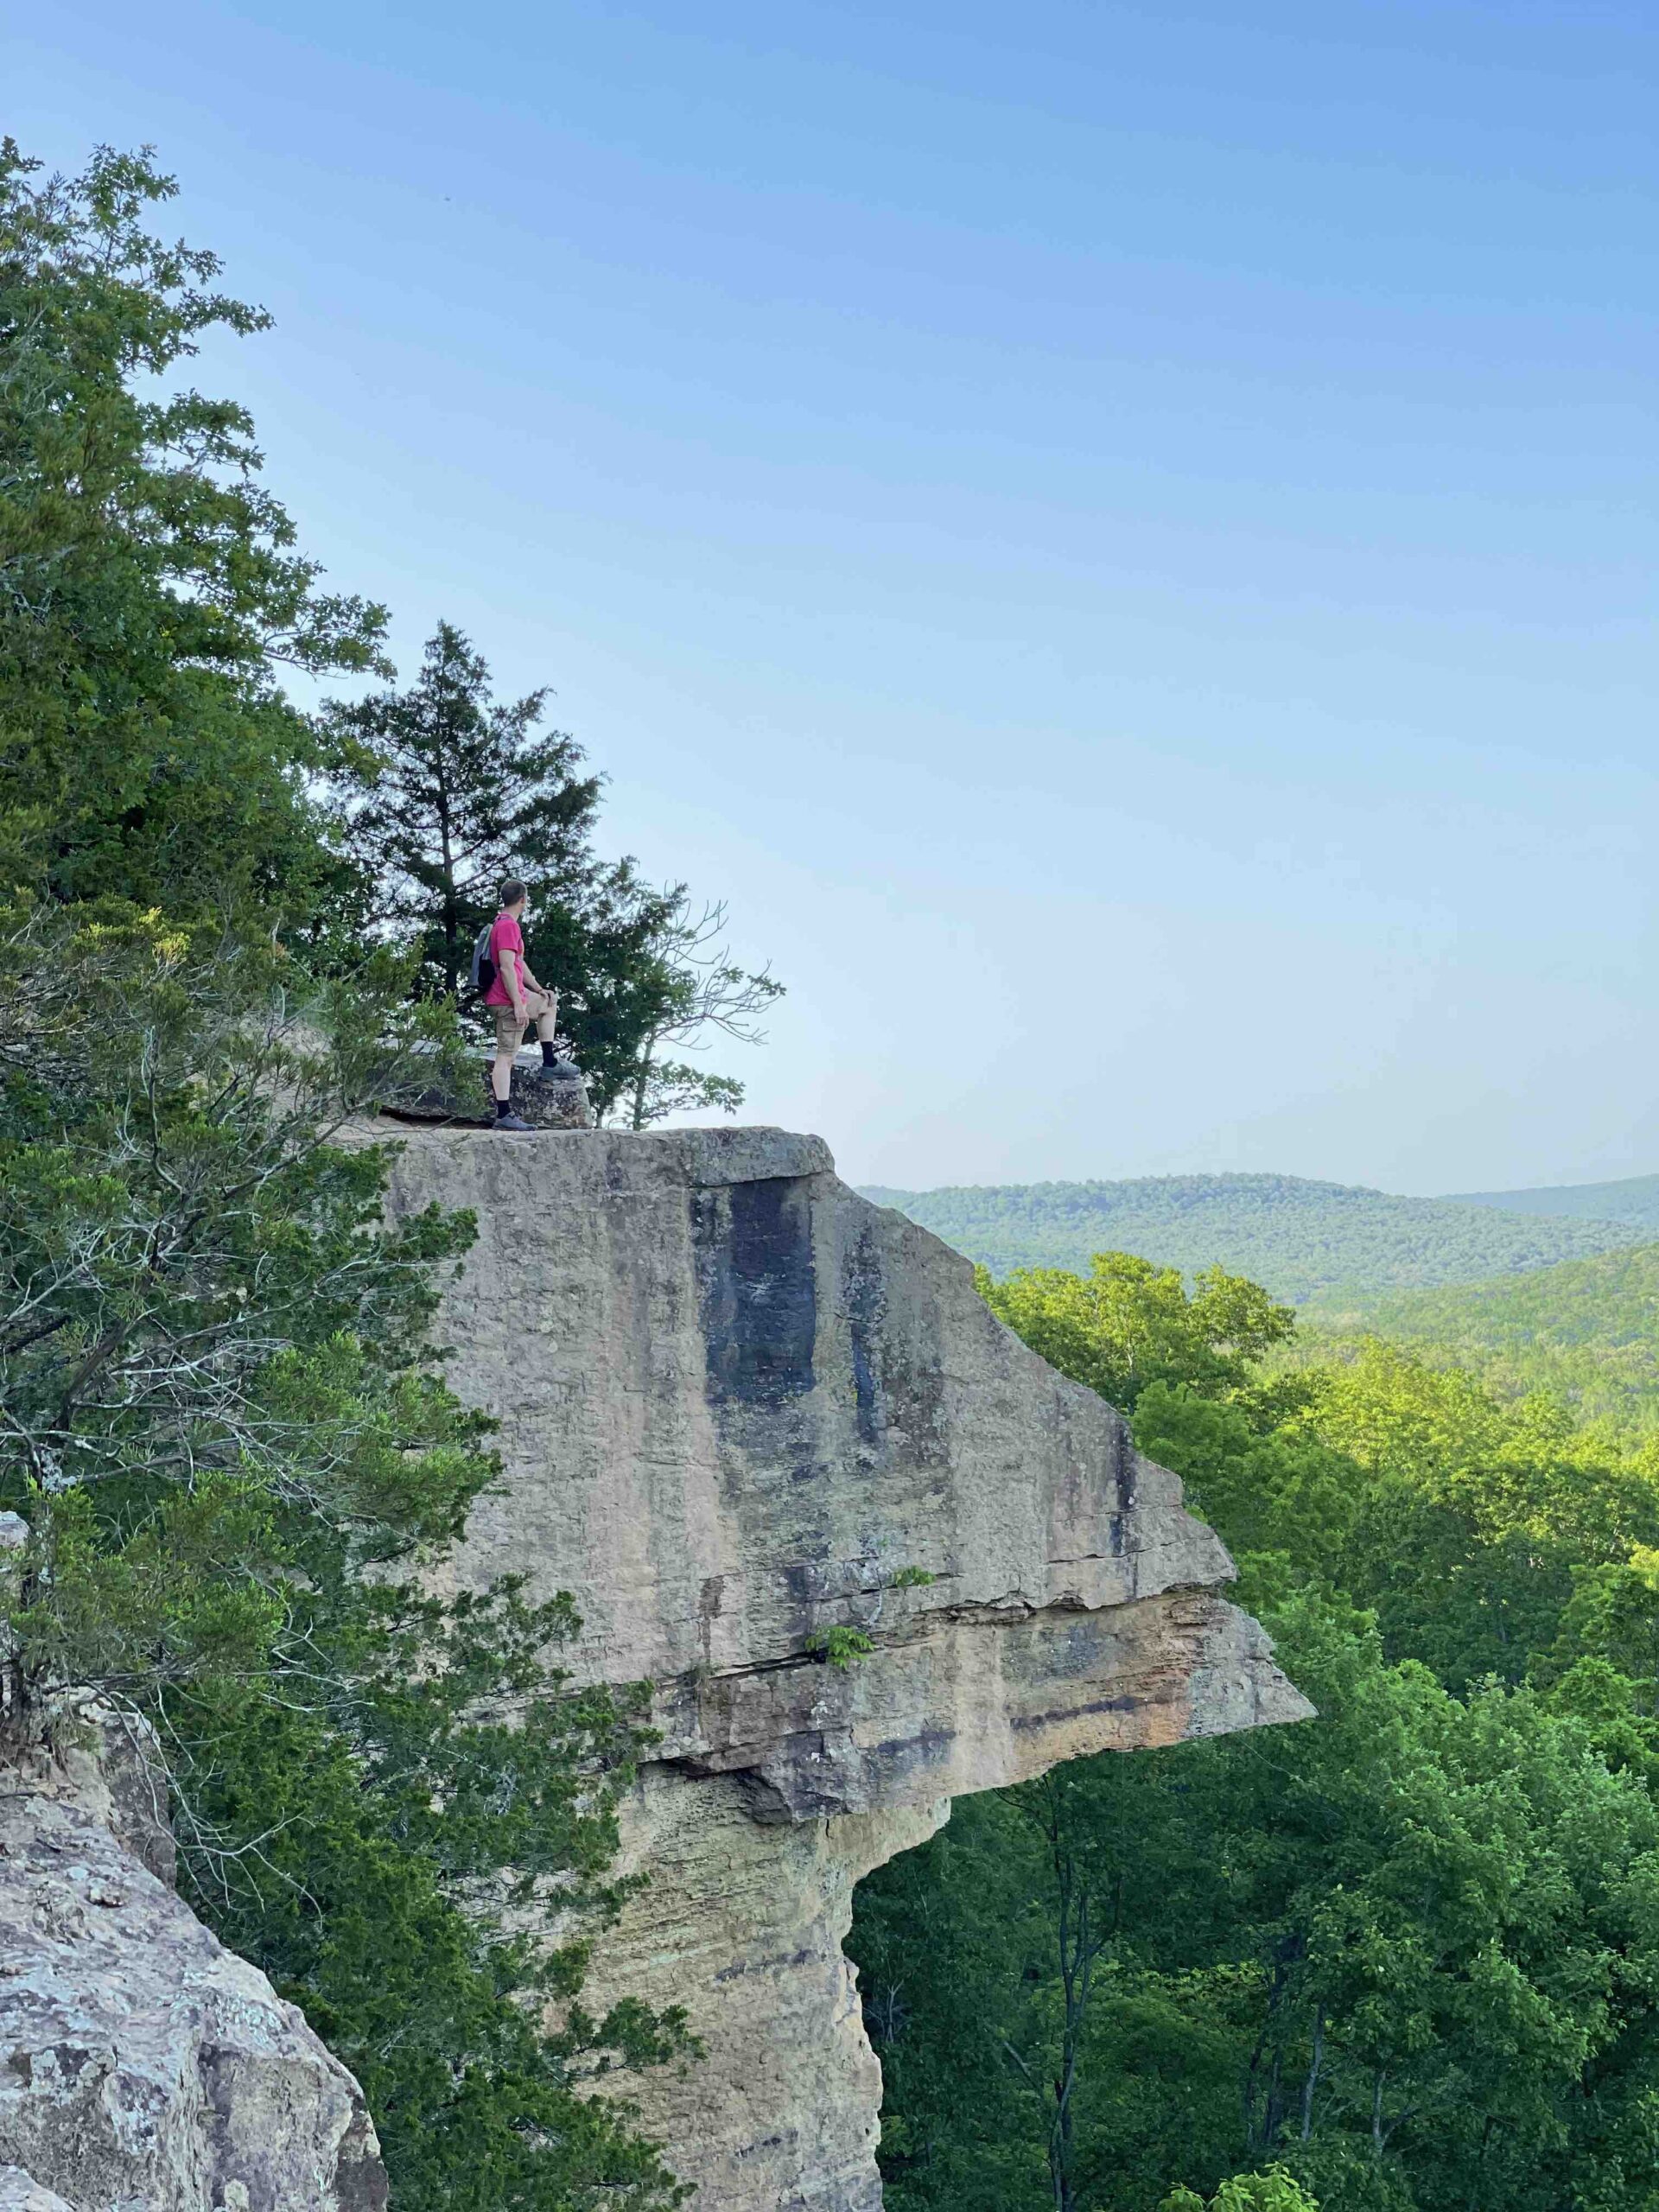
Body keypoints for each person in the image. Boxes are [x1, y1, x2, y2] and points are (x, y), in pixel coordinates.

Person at [482, 880, 563, 1131]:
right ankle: (504, 1115)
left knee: (549, 1003)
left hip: (514, 996)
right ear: (523, 900)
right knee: (505, 1058)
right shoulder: (507, 927)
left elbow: (518, 963)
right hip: (506, 1001)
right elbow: (506, 966)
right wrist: (518, 1004)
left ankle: (549, 1063)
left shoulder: (505, 925)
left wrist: (538, 989)